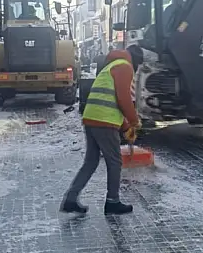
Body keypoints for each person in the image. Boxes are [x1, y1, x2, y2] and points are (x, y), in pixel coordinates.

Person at [62, 46, 144, 216]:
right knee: (115, 162)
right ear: (135, 61)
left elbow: (111, 100)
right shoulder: (124, 67)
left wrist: (126, 126)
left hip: (92, 118)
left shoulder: (110, 66)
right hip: (104, 121)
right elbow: (123, 98)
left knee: (91, 161)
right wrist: (135, 121)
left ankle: (71, 199)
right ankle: (112, 202)